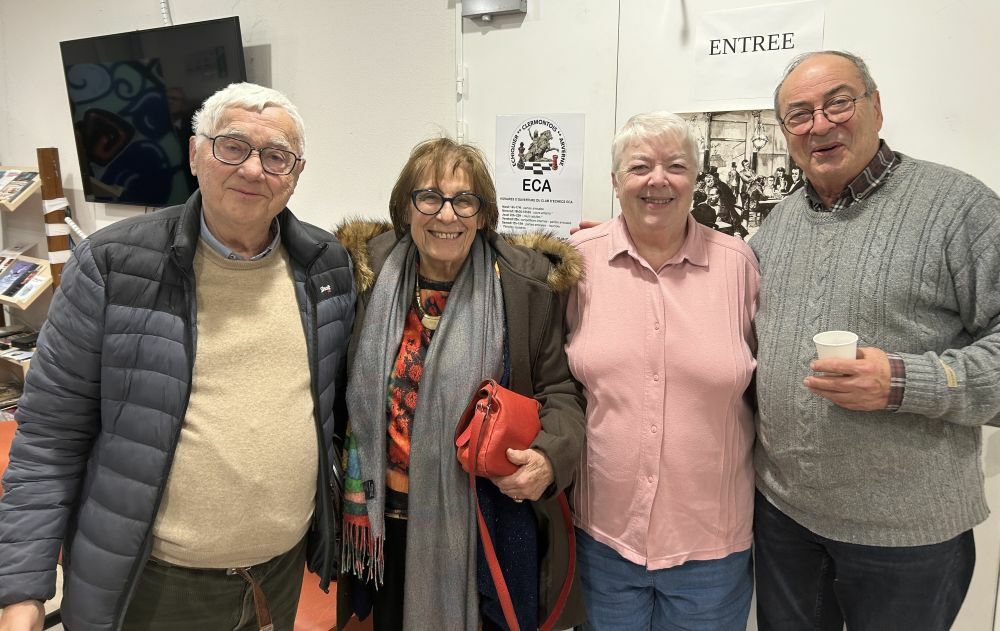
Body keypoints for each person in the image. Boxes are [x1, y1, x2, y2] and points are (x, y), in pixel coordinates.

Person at [0, 83, 355, 631]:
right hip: (154, 587)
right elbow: (49, 438)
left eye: (276, 156)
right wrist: (22, 593)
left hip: (279, 578)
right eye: (232, 146)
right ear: (195, 153)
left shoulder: (327, 266)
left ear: (296, 173)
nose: (253, 169)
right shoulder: (111, 265)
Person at [751, 50, 1000, 630]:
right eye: (799, 114)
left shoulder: (959, 208)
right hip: (784, 521)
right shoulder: (778, 225)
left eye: (838, 103)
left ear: (876, 107)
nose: (820, 125)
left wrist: (905, 382)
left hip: (906, 539)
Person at [334, 138, 586, 631]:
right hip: (385, 521)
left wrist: (549, 458)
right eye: (429, 197)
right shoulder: (365, 275)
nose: (446, 215)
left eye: (464, 200)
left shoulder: (524, 286)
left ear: (483, 214)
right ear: (406, 209)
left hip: (485, 518)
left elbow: (559, 391)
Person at [567, 112, 759, 630]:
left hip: (711, 551)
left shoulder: (738, 266)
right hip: (602, 543)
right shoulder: (576, 264)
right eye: (639, 167)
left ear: (696, 178)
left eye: (675, 166)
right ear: (615, 182)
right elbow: (555, 386)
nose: (658, 180)